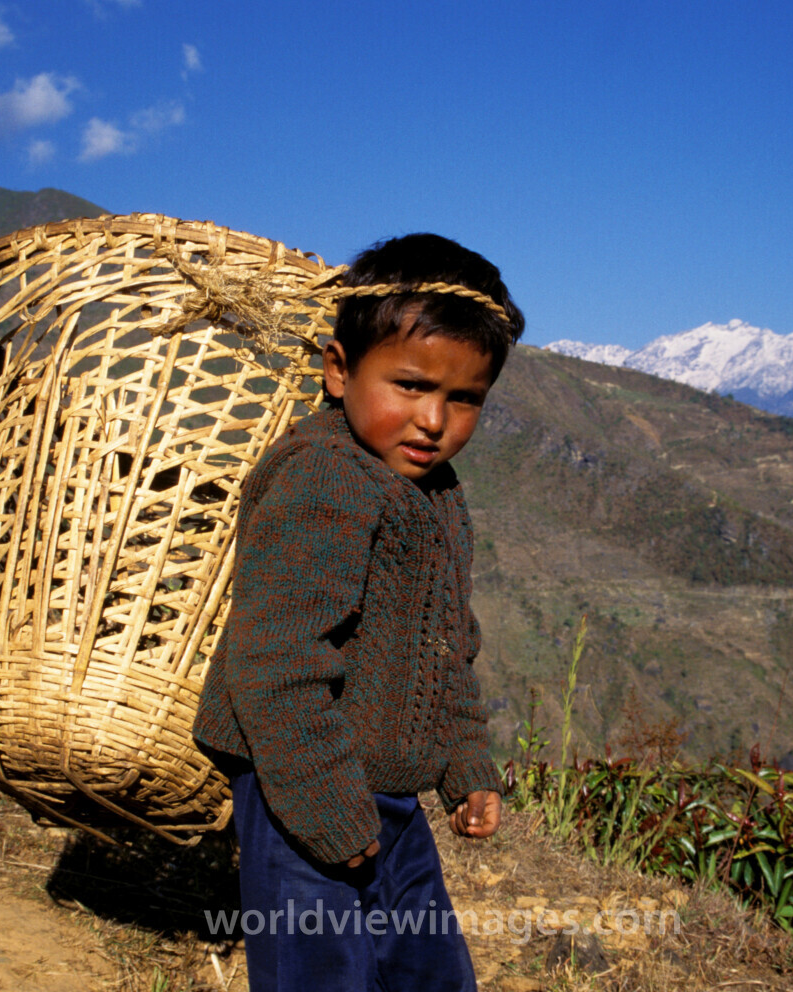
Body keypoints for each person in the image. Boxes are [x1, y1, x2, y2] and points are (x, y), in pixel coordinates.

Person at [193, 232, 524, 991]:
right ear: (339, 370)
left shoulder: (433, 493)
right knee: (322, 973)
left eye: (464, 398)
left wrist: (467, 765)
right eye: (410, 385)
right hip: (299, 789)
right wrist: (322, 803)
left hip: (387, 794)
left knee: (427, 970)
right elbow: (275, 658)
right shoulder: (326, 479)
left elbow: (448, 645)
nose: (434, 421)